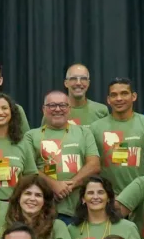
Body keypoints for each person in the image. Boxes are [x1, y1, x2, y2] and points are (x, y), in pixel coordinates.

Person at [30, 89, 100, 221]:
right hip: (42, 210)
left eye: (62, 105)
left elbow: (94, 165)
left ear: (69, 109)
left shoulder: (84, 132)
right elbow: (28, 169)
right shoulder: (31, 136)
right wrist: (53, 184)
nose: (57, 109)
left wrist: (69, 185)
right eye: (52, 105)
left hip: (79, 210)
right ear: (44, 109)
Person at [89, 78, 144, 193]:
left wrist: (140, 190)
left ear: (134, 96)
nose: (119, 99)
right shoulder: (95, 128)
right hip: (108, 198)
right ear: (108, 100)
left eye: (124, 93)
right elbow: (91, 165)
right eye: (114, 95)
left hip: (142, 194)